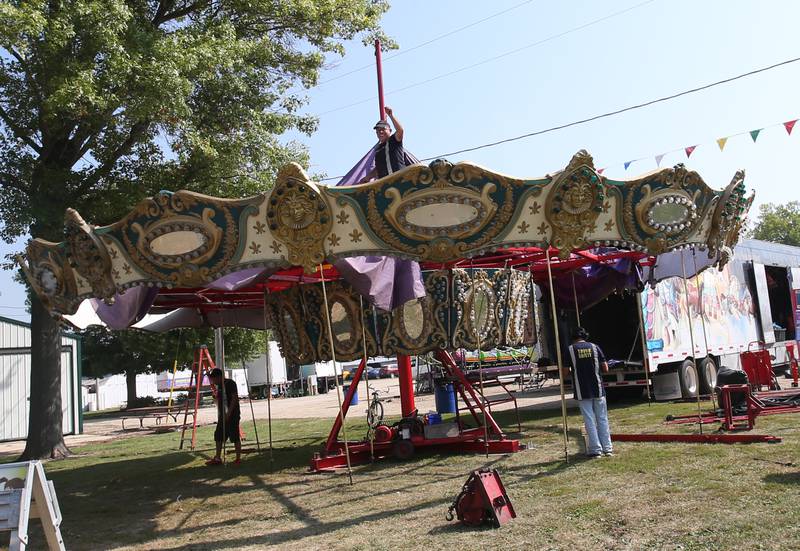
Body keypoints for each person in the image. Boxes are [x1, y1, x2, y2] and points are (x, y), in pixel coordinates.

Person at [564, 327, 613, 458]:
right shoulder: (595, 347)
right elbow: (605, 368)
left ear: (573, 337)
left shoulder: (570, 349)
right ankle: (607, 448)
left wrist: (574, 370)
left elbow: (564, 372)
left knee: (589, 420)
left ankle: (595, 449)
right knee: (602, 418)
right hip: (597, 387)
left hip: (582, 389)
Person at [205, 367, 241, 465]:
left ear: (219, 377)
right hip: (222, 415)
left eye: (214, 379)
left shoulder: (230, 384)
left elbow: (234, 398)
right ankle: (217, 458)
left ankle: (238, 458)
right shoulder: (220, 386)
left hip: (232, 414)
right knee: (218, 435)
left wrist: (229, 413)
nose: (213, 381)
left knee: (234, 436)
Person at [360, 106, 406, 182]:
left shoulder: (394, 140)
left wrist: (391, 115)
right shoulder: (378, 150)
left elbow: (400, 130)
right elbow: (378, 169)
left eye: (383, 129)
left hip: (400, 179)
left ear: (390, 130)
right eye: (378, 131)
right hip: (386, 184)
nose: (380, 132)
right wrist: (368, 177)